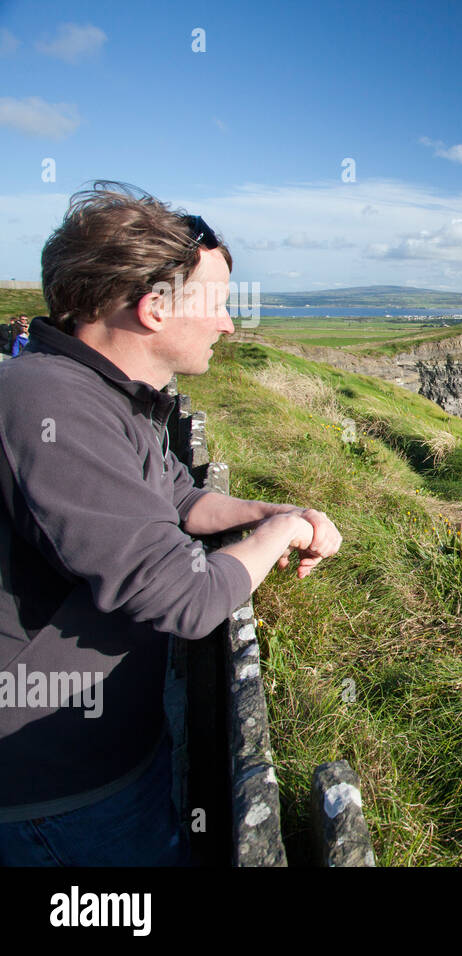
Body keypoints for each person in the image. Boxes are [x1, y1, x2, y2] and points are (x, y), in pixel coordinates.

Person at [0, 181, 343, 866]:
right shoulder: (52, 408)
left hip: (106, 750)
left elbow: (179, 500)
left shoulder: (103, 393)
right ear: (154, 309)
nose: (228, 325)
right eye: (215, 305)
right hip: (59, 790)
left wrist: (276, 514)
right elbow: (181, 600)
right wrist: (276, 539)